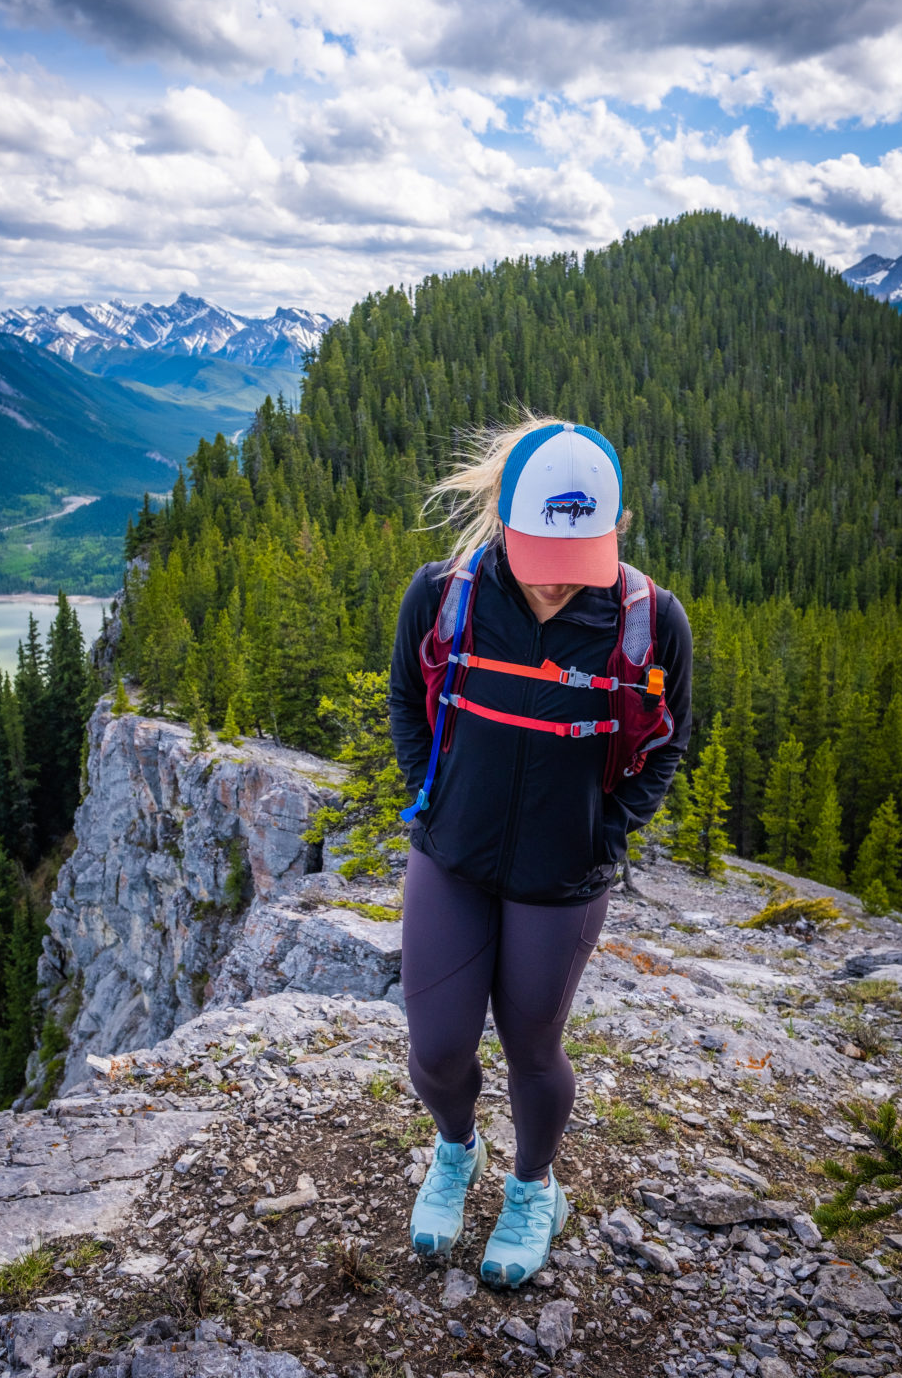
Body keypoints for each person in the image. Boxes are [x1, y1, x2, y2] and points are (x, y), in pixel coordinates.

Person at [389, 417, 692, 1288]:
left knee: (532, 1048)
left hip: (562, 879)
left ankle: (532, 1188)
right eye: (540, 564)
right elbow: (409, 700)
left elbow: (669, 741)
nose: (558, 589)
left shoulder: (648, 621)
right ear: (504, 525)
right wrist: (432, 790)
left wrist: (611, 825)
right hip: (453, 856)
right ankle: (456, 1151)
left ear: (614, 534)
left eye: (577, 567)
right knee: (438, 1048)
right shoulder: (444, 596)